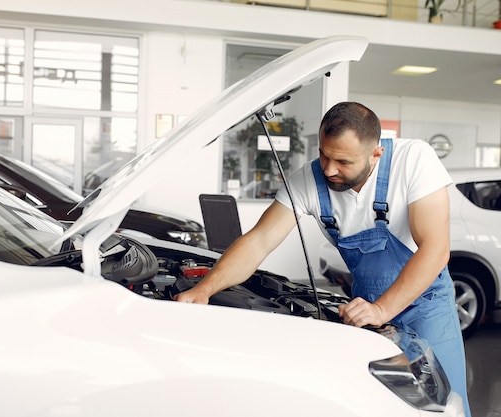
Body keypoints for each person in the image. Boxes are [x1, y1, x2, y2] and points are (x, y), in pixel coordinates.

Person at [174, 101, 471, 417]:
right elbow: (258, 241)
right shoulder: (308, 180)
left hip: (426, 304)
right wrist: (204, 289)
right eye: (324, 154)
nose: (329, 169)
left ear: (376, 155)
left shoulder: (413, 159)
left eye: (342, 161)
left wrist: (382, 308)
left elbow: (435, 250)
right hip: (363, 306)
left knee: (441, 402)